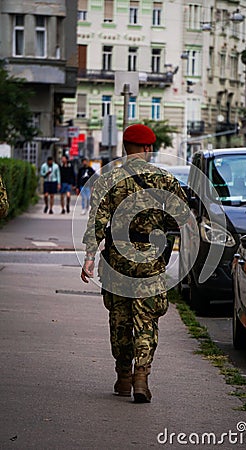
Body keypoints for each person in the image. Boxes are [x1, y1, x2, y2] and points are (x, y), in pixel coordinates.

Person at [80, 124, 189, 403]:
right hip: (150, 261)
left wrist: (90, 258)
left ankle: (123, 377)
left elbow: (97, 221)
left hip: (117, 260)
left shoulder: (107, 179)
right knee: (146, 318)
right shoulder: (164, 179)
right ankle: (142, 376)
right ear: (147, 148)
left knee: (119, 319)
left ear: (125, 148)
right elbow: (183, 216)